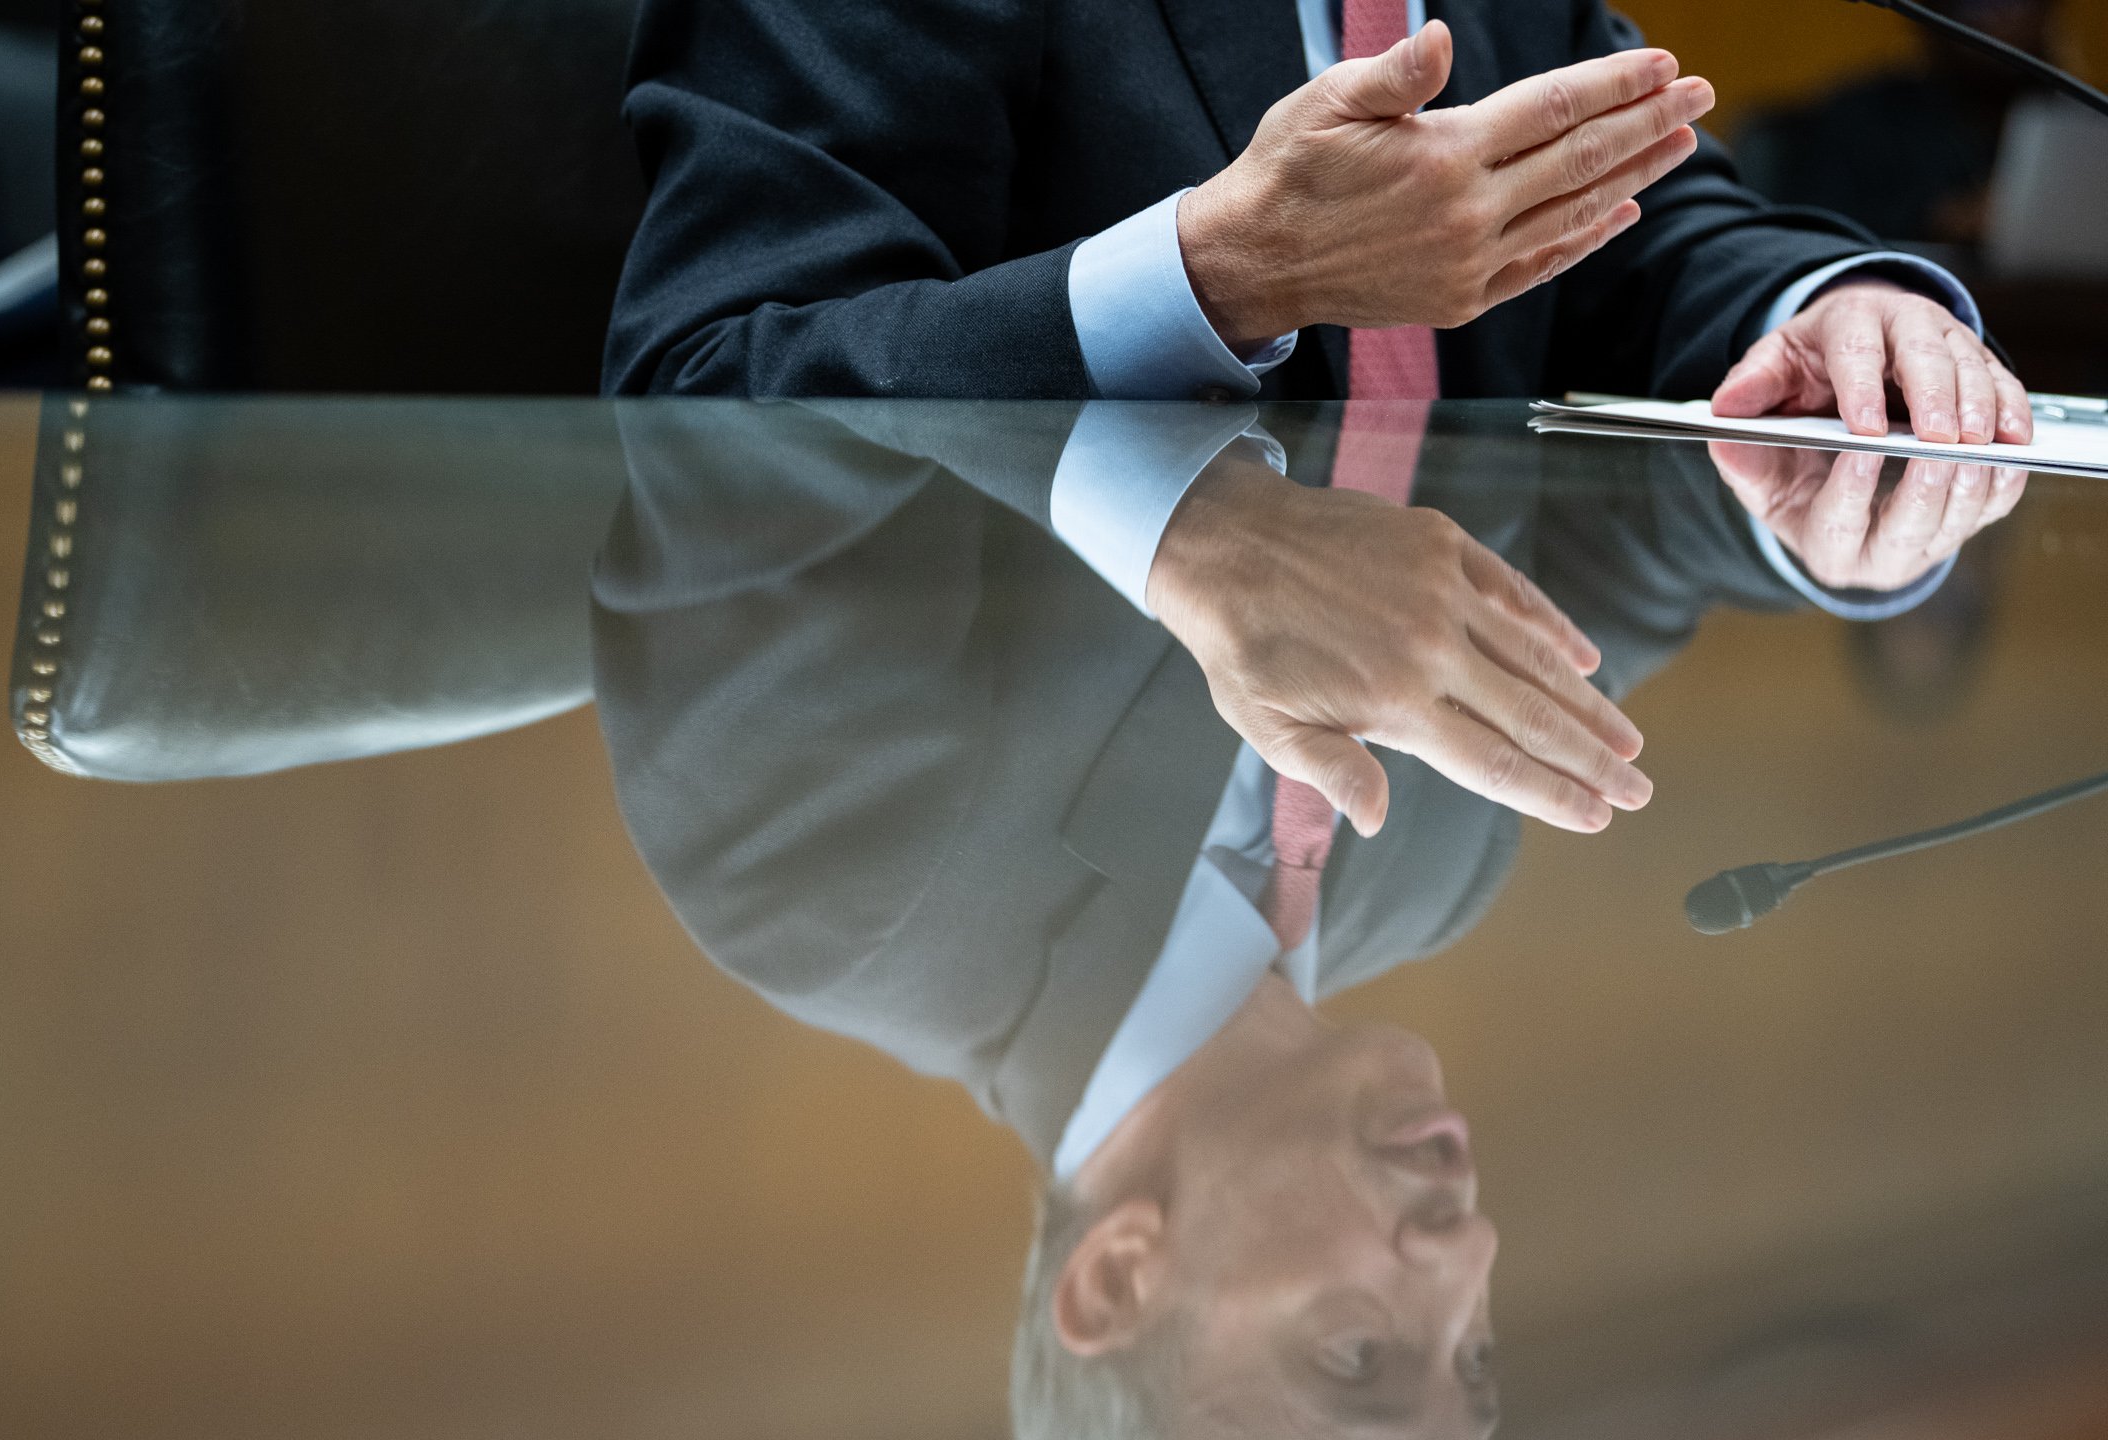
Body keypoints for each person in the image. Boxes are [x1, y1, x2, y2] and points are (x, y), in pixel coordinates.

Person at [590, 398, 2029, 1436]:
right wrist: (1829, 467)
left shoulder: (819, 879)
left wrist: (1181, 515)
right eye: (1472, 1368)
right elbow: (1643, 527)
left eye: (1355, 1357)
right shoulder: (1445, 866)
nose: (1468, 1263)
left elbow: (750, 363)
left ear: (1123, 1274)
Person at [605, 0, 2034, 457]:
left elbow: (1633, 232)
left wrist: (1828, 299)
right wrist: (1211, 279)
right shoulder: (861, 914)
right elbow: (710, 379)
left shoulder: (1432, 873)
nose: (1466, 1178)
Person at [1733, 0, 2060, 248]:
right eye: (1980, 5)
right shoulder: (1864, 115)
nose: (2005, 18)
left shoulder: (2068, 115)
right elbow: (1811, 227)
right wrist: (1937, 219)